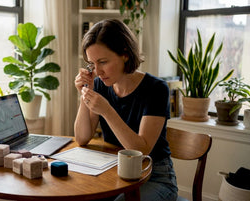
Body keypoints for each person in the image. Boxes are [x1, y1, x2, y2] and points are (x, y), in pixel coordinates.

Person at [74, 19, 178, 201]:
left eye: (103, 62)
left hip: (155, 176)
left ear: (125, 54)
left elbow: (141, 150)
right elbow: (82, 138)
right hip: (114, 172)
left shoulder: (156, 89)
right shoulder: (99, 85)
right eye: (92, 64)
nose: (97, 71)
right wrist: (85, 93)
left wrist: (107, 111)